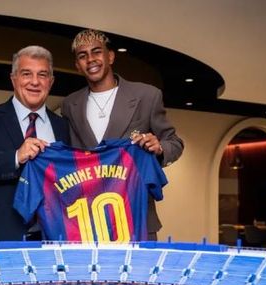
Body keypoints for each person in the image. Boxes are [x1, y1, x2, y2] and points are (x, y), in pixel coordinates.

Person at [61, 29, 184, 240]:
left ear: (110, 56)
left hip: (137, 215)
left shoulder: (146, 95)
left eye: (96, 52)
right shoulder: (70, 104)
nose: (90, 60)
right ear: (77, 65)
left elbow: (175, 142)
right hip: (88, 219)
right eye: (83, 56)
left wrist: (160, 148)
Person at [0, 45, 70, 242]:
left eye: (42, 75)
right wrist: (16, 157)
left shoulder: (63, 127)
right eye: (26, 74)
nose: (35, 82)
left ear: (51, 82)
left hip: (52, 239)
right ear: (14, 79)